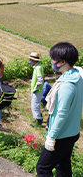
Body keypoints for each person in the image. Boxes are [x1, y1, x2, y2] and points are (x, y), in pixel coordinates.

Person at [36, 42, 83, 177]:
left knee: (43, 168)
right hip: (72, 132)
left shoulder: (67, 85)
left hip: (61, 135)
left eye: (53, 59)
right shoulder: (77, 77)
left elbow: (61, 114)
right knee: (63, 166)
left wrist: (51, 137)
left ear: (62, 62)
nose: (51, 62)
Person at [29, 52, 44, 127]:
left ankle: (38, 120)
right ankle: (37, 117)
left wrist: (35, 88)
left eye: (30, 59)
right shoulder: (37, 66)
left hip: (37, 90)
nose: (29, 61)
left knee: (35, 105)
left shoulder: (38, 68)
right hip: (36, 90)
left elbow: (40, 80)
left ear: (34, 60)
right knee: (35, 104)